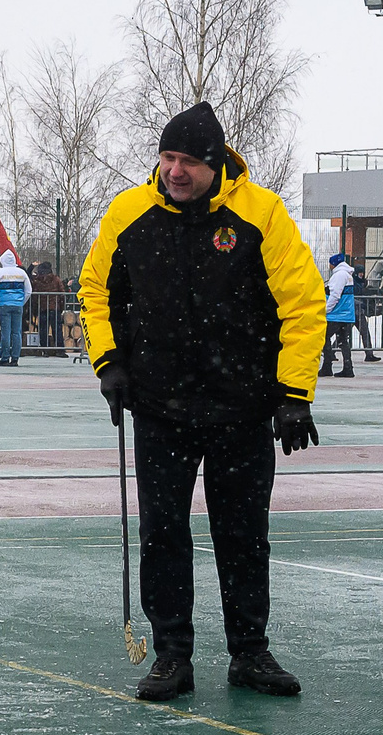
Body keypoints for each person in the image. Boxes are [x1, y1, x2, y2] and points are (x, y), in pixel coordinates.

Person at [81, 100, 324, 701]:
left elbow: (302, 302)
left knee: (243, 532)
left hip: (241, 408)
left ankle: (250, 651)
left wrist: (294, 394)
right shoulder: (128, 213)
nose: (174, 170)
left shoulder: (261, 214)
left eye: (188, 160)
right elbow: (96, 290)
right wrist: (109, 363)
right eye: (167, 157)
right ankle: (171, 657)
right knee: (163, 532)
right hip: (160, 407)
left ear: (216, 164)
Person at [0, 248, 31, 366]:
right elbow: (28, 291)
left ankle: (5, 357)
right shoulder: (21, 273)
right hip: (17, 305)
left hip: (3, 304)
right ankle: (15, 358)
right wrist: (21, 302)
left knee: (5, 332)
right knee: (16, 332)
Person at [320, 252, 358, 378]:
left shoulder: (339, 275)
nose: (329, 266)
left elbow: (335, 295)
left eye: (330, 264)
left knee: (324, 338)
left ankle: (327, 366)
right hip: (346, 315)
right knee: (343, 341)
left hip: (336, 314)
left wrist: (326, 310)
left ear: (334, 264)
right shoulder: (347, 274)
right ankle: (348, 367)